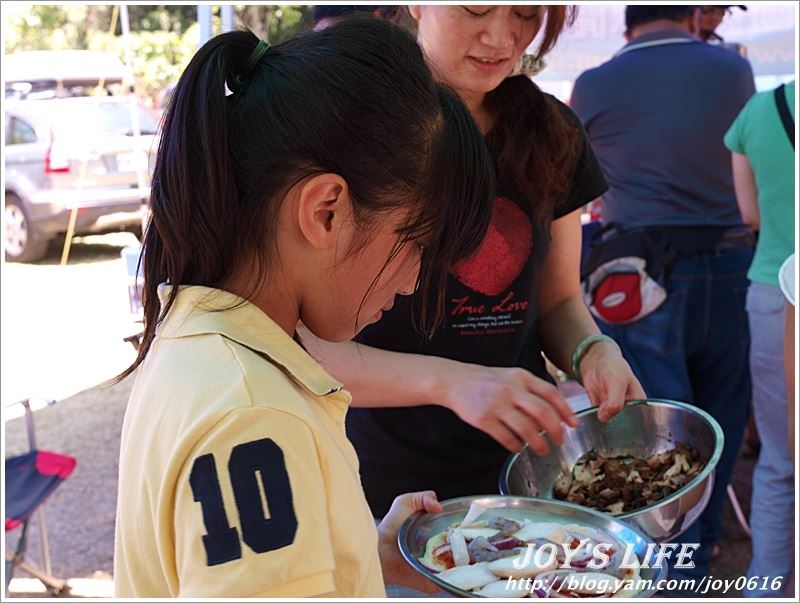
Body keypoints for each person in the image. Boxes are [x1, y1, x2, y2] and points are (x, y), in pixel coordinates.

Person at [112, 17, 496, 597]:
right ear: (326, 212)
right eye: (414, 243)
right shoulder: (255, 418)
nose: (416, 281)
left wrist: (362, 551)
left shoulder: (197, 337)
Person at [301, 5, 644, 518]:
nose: (501, 37)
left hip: (528, 477)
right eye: (477, 8)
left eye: (527, 14)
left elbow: (558, 300)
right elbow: (301, 349)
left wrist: (592, 350)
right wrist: (452, 382)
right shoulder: (349, 124)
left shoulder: (552, 131)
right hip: (380, 486)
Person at [570, 4, 756, 588]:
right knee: (719, 422)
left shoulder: (594, 83)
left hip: (638, 277)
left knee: (659, 437)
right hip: (732, 263)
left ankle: (670, 573)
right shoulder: (732, 69)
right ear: (692, 14)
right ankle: (701, 558)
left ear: (629, 22)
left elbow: (579, 177)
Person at [724, 80, 796, 597]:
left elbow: (749, 215)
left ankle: (765, 587)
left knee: (780, 458)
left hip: (774, 291)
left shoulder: (759, 111)